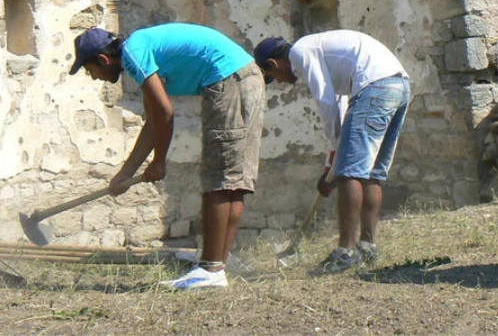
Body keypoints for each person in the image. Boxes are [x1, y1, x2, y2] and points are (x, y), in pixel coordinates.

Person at [69, 22, 265, 290]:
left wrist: (158, 162)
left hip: (229, 80)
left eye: (90, 70)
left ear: (103, 59)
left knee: (220, 179)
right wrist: (125, 174)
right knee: (232, 178)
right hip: (242, 78)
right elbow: (153, 123)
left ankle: (210, 269)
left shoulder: (134, 54)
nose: (93, 77)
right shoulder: (144, 52)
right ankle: (220, 261)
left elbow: (165, 113)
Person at [254, 30, 411, 272]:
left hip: (375, 87)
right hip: (398, 85)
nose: (282, 83)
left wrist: (340, 166)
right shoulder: (318, 50)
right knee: (371, 173)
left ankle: (345, 252)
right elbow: (340, 104)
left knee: (350, 174)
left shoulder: (301, 52)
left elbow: (326, 102)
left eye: (274, 77)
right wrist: (331, 163)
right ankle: (367, 247)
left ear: (273, 63)